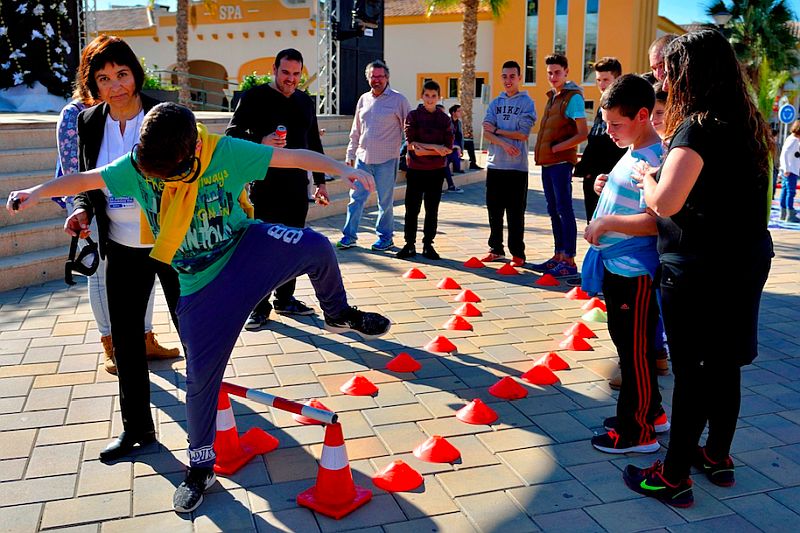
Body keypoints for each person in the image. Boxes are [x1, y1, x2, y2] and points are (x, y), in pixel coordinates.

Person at [7, 102, 392, 514]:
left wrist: (342, 168)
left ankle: (337, 313)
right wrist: (35, 193)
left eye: (170, 170)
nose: (161, 178)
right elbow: (86, 178)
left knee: (314, 245)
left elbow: (291, 157)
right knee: (201, 381)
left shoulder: (223, 152)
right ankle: (200, 468)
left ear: (193, 149)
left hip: (245, 251)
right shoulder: (136, 165)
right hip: (198, 285)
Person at [626, 30, 773, 508]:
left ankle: (671, 477)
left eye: (669, 71)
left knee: (691, 372)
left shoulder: (699, 127)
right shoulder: (749, 124)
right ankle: (716, 456)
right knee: (726, 365)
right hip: (745, 263)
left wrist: (649, 178)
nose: (662, 80)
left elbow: (668, 202)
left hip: (699, 269)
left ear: (690, 74)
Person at [65, 35, 181, 461]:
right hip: (122, 246)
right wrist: (80, 210)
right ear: (93, 84)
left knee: (194, 333)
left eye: (122, 74)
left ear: (135, 73)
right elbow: (87, 176)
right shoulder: (89, 121)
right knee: (127, 342)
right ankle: (137, 429)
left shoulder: (164, 114)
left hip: (171, 243)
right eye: (104, 78)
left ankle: (213, 424)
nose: (115, 85)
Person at [580, 74, 669, 454]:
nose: (610, 131)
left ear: (643, 116)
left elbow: (656, 220)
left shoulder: (654, 158)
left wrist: (606, 222)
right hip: (620, 269)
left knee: (634, 355)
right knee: (630, 348)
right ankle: (653, 413)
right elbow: (632, 195)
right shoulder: (634, 149)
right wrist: (606, 185)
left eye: (616, 124)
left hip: (634, 274)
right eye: (606, 123)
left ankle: (638, 433)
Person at [226, 48, 327, 329]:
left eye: (296, 74)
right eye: (285, 73)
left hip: (297, 187)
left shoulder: (306, 102)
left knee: (292, 246)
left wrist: (320, 182)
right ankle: (259, 306)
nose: (290, 79)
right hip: (264, 185)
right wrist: (261, 140)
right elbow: (231, 135)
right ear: (274, 69)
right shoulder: (254, 97)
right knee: (262, 249)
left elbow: (313, 145)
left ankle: (286, 299)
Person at [337, 60, 411, 251]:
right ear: (368, 78)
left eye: (380, 76)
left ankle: (385, 238)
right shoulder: (363, 99)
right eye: (373, 76)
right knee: (356, 199)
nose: (376, 80)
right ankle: (349, 236)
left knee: (384, 202)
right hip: (363, 159)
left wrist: (408, 150)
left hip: (387, 159)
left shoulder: (399, 100)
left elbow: (409, 128)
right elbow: (356, 129)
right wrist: (350, 153)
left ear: (387, 78)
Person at [532, 54, 589, 277]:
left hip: (561, 163)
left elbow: (582, 133)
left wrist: (558, 148)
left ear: (566, 72)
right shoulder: (553, 97)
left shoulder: (572, 97)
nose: (553, 76)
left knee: (564, 209)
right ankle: (558, 256)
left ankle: (570, 260)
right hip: (548, 163)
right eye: (549, 73)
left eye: (557, 72)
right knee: (553, 210)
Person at [481, 60, 537, 267]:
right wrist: (504, 143)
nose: (508, 80)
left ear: (519, 78)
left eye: (512, 76)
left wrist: (497, 131)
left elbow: (522, 134)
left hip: (516, 168)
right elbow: (486, 131)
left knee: (515, 213)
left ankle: (518, 254)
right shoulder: (495, 103)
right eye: (504, 76)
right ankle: (496, 249)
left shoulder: (526, 103)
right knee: (494, 210)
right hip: (496, 165)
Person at [396, 80, 454, 260]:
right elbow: (411, 145)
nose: (430, 99)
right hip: (415, 170)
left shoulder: (444, 119)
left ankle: (428, 244)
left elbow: (448, 148)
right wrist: (436, 148)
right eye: (427, 95)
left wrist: (428, 149)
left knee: (432, 209)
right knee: (412, 208)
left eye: (434, 96)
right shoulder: (413, 116)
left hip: (436, 171)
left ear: (439, 97)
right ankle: (409, 244)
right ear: (421, 96)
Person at [572, 57, 626, 224]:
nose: (602, 85)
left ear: (617, 79)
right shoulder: (601, 107)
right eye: (598, 80)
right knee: (592, 225)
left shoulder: (624, 109)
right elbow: (595, 140)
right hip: (592, 179)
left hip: (610, 180)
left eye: (606, 80)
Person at [778, 119, 800, 222]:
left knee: (785, 191)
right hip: (790, 170)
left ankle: (784, 213)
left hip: (789, 169)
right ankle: (789, 214)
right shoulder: (793, 140)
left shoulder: (792, 139)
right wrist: (786, 168)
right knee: (790, 192)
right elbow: (784, 154)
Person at [444, 103, 465, 193]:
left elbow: (460, 136)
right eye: (459, 111)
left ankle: (451, 185)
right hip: (446, 147)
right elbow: (445, 136)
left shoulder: (458, 123)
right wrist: (455, 146)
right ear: (453, 112)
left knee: (447, 164)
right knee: (445, 164)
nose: (461, 113)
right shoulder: (447, 121)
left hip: (453, 147)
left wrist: (461, 148)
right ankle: (451, 186)